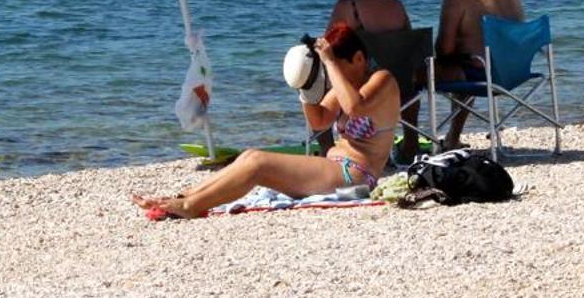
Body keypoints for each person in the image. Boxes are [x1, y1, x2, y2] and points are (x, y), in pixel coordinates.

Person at [133, 23, 398, 218]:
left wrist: (329, 62)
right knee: (249, 156)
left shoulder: (382, 80)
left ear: (360, 59)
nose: (333, 75)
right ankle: (184, 196)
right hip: (334, 167)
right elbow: (319, 121)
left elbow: (355, 107)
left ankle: (191, 207)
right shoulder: (345, 86)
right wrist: (303, 86)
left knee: (258, 163)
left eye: (338, 68)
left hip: (355, 175)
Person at [434, 0, 527, 144]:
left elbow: (444, 48)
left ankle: (410, 142)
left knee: (424, 71)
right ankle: (452, 138)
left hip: (482, 75)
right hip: (516, 72)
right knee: (467, 61)